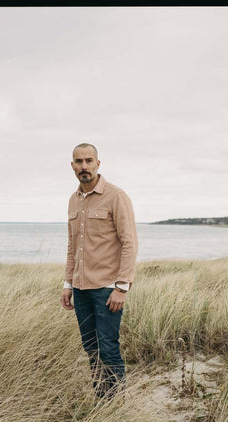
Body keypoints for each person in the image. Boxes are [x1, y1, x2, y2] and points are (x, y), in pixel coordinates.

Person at [60, 143, 138, 399]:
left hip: (106, 289)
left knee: (108, 348)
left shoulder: (116, 196)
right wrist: (68, 283)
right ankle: (100, 398)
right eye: (79, 161)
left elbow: (129, 242)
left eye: (89, 161)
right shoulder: (73, 200)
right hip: (80, 289)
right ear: (72, 166)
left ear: (98, 164)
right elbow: (73, 246)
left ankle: (115, 406)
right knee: (90, 348)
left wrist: (122, 286)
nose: (84, 166)